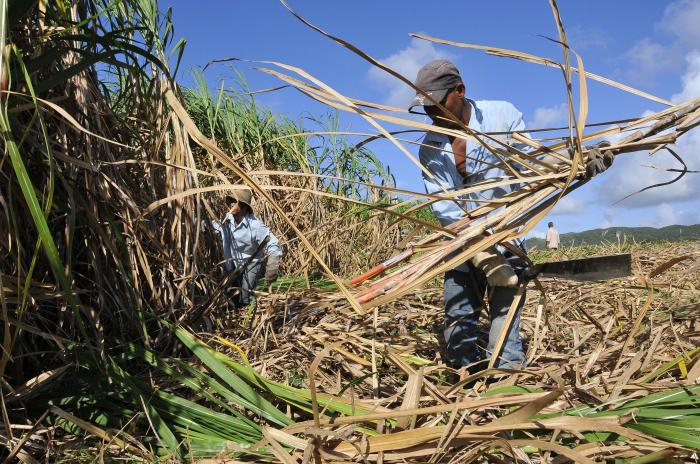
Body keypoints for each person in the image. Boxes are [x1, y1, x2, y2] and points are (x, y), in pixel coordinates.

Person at [408, 59, 613, 375]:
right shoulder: (430, 149)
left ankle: (506, 379)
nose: (430, 113)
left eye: (435, 102)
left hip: (508, 238)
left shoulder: (501, 115)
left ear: (459, 91)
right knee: (459, 317)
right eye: (425, 106)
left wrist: (578, 163)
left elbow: (535, 162)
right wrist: (484, 257)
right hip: (463, 245)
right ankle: (463, 379)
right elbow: (446, 210)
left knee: (507, 314)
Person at [210, 187, 282, 307]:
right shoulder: (227, 219)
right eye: (231, 201)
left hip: (252, 262)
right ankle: (236, 317)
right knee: (232, 295)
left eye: (235, 201)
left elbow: (272, 241)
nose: (231, 204)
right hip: (233, 263)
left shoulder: (255, 225)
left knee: (246, 294)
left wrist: (273, 264)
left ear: (243, 206)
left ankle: (250, 316)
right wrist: (203, 224)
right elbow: (216, 227)